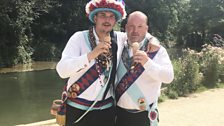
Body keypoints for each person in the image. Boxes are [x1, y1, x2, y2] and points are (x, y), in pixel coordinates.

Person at [56, 0, 126, 126]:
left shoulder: (120, 39)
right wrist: (90, 55)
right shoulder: (79, 38)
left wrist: (153, 40)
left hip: (106, 110)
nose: (107, 20)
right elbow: (62, 70)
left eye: (111, 16)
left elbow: (139, 33)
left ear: (115, 21)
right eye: (103, 15)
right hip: (77, 109)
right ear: (95, 18)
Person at [115, 11, 174, 126]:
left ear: (146, 28)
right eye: (131, 26)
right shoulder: (120, 42)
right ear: (126, 27)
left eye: (140, 26)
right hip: (119, 114)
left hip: (144, 116)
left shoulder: (157, 50)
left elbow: (169, 77)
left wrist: (147, 62)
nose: (135, 31)